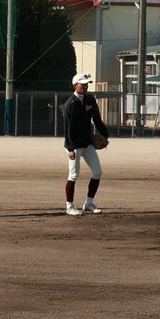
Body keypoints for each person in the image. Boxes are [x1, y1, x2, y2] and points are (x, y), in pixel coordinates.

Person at [61, 72, 109, 215]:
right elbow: (67, 128)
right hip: (74, 145)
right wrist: (70, 148)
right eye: (83, 84)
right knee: (73, 175)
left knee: (97, 172)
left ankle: (88, 203)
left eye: (87, 84)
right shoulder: (70, 104)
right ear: (75, 86)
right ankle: (69, 206)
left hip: (87, 143)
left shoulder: (89, 99)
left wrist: (105, 134)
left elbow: (97, 119)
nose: (86, 86)